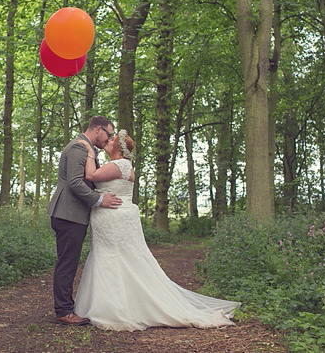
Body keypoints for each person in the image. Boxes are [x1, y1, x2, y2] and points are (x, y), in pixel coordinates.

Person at [73, 129, 241, 331]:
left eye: (111, 139)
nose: (107, 141)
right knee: (113, 257)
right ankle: (117, 304)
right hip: (110, 217)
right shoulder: (122, 165)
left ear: (117, 147)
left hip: (114, 218)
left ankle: (115, 309)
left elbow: (91, 175)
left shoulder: (119, 165)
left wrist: (89, 153)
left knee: (114, 258)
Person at [47, 116, 123, 326]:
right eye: (108, 133)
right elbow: (74, 183)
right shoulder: (78, 148)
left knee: (69, 261)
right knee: (67, 263)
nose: (109, 139)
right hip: (68, 214)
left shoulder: (87, 148)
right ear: (98, 130)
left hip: (73, 214)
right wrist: (99, 200)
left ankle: (65, 308)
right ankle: (63, 311)